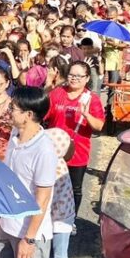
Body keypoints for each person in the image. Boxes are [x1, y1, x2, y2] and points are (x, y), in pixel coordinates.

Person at [0, 87, 58, 258]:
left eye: (14, 109)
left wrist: (29, 239)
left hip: (29, 231)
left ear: (28, 114)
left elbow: (42, 199)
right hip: (7, 221)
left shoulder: (43, 150)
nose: (9, 111)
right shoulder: (15, 135)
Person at [44, 61, 105, 216]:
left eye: (79, 76)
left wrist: (86, 114)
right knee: (49, 185)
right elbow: (43, 114)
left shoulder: (92, 99)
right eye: (71, 74)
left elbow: (99, 126)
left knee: (74, 188)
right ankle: (50, 215)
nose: (74, 78)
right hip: (54, 151)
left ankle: (71, 219)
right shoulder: (57, 93)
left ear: (86, 78)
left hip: (78, 153)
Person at [44, 128, 76, 258]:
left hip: (60, 218)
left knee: (59, 254)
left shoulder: (52, 167)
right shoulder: (61, 162)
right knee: (57, 252)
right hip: (63, 215)